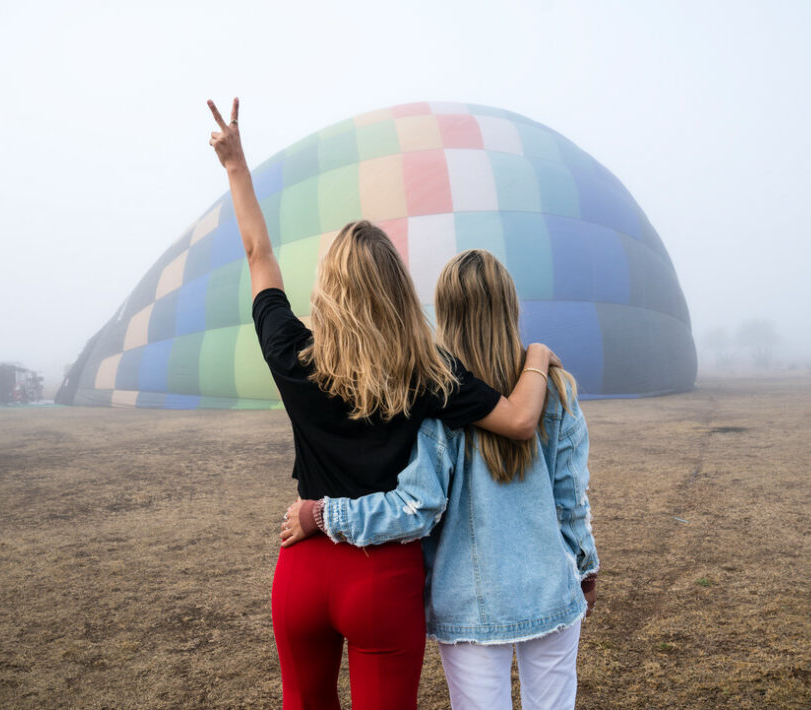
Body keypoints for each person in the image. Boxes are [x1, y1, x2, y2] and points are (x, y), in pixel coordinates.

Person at [207, 98, 560, 710]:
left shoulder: (292, 352)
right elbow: (521, 420)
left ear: (328, 289)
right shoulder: (428, 372)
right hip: (381, 577)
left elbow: (257, 255)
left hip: (303, 566)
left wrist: (235, 165)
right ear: (396, 287)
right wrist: (538, 358)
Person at [282, 250, 599, 710]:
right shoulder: (556, 390)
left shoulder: (437, 403)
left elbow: (416, 508)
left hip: (468, 605)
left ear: (444, 314)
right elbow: (571, 500)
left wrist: (326, 512)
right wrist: (584, 567)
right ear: (510, 308)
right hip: (549, 590)